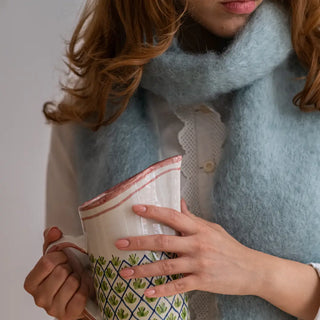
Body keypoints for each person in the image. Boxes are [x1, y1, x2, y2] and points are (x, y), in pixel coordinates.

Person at [24, 0, 320, 319]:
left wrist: (256, 273)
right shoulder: (90, 108)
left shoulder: (313, 83)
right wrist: (75, 303)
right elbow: (83, 284)